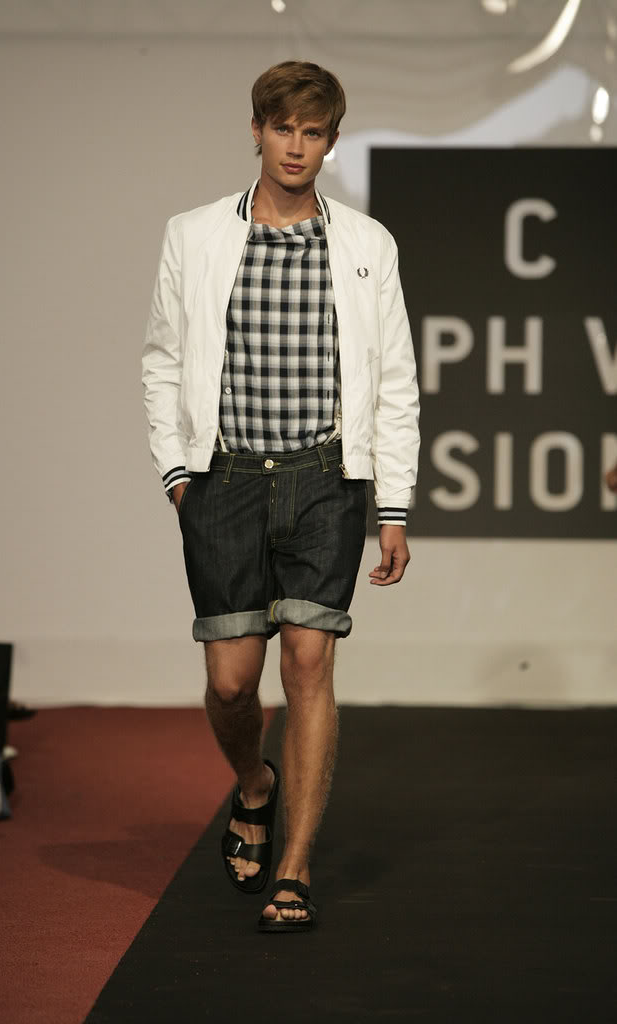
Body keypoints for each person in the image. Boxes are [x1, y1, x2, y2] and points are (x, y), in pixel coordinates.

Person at [142, 60, 420, 931]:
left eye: (312, 132)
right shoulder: (193, 234)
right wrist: (177, 474)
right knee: (232, 684)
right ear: (256, 130)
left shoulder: (366, 244)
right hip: (222, 478)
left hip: (324, 479)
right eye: (282, 128)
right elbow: (161, 360)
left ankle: (294, 870)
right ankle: (254, 783)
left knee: (307, 664)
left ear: (331, 142)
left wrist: (393, 506)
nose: (296, 146)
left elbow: (395, 381)